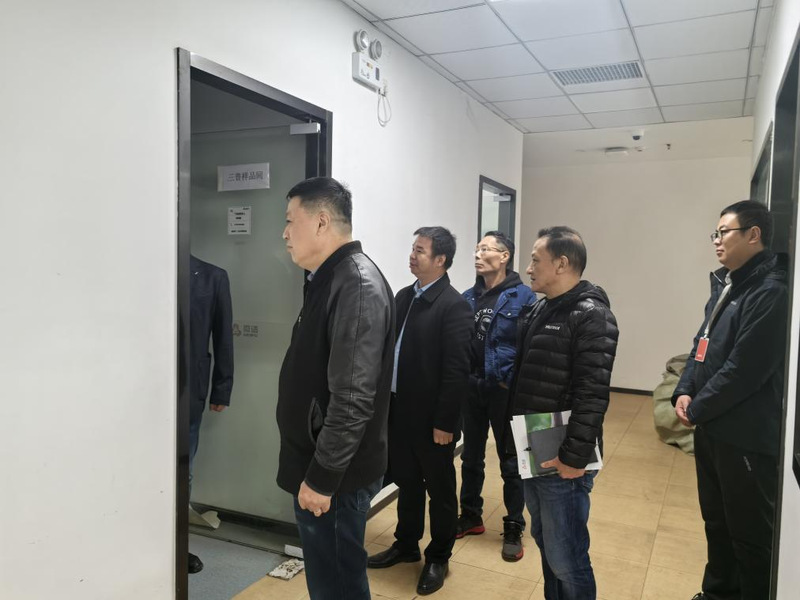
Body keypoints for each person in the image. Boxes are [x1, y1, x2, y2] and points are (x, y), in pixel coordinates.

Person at [276, 177, 395, 600]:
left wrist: (323, 478)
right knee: (329, 579)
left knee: (338, 586)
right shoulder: (329, 279)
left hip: (335, 475)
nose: (285, 233)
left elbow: (352, 398)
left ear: (322, 221)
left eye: (290, 220)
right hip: (320, 464)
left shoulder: (357, 284)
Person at [673, 200, 787, 600]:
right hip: (713, 429)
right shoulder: (728, 285)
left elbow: (744, 370)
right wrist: (684, 389)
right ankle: (718, 593)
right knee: (717, 522)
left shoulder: (771, 292)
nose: (717, 240)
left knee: (749, 534)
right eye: (716, 233)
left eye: (724, 232)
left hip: (745, 437)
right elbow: (700, 345)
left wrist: (697, 407)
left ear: (753, 235)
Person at [508, 226, 618, 599]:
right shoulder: (541, 308)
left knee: (567, 557)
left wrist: (574, 457)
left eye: (535, 260)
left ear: (562, 263)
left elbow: (593, 393)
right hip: (536, 445)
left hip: (564, 457)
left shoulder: (592, 315)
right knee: (545, 541)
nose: (528, 269)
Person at [367, 227, 472, 596]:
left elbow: (457, 371)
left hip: (433, 420)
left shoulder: (454, 305)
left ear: (440, 260)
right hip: (399, 410)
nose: (412, 256)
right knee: (407, 481)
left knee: (439, 489)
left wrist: (446, 422)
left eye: (421, 251)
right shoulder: (404, 296)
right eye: (413, 249)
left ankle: (439, 556)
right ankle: (406, 544)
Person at [457, 231, 535, 561]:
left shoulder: (523, 297)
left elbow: (530, 349)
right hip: (472, 389)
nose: (478, 254)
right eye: (477, 249)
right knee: (471, 457)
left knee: (511, 461)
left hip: (504, 391)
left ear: (504, 256)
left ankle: (514, 524)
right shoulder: (467, 297)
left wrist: (514, 384)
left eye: (485, 249)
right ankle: (470, 515)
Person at [188, 254, 234, 574]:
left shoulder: (211, 276)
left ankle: (177, 542)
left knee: (184, 470)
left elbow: (222, 336)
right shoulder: (142, 270)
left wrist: (222, 387)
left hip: (189, 390)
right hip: (141, 394)